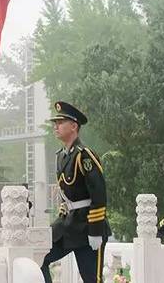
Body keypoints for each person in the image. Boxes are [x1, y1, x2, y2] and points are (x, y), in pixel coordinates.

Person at [40, 101, 111, 283]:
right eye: (55, 123)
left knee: (91, 279)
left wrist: (95, 231)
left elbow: (99, 194)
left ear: (73, 126)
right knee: (38, 257)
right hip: (68, 225)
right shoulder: (61, 156)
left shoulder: (84, 155)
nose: (56, 126)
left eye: (60, 122)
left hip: (87, 226)